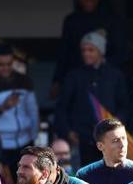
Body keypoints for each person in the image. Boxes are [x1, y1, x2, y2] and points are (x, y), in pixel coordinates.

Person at [55, 31, 128, 165]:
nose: (86, 53)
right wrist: (68, 132)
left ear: (101, 51)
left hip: (108, 139)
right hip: (81, 141)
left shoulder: (115, 75)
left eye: (91, 50)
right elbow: (61, 107)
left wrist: (117, 123)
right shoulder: (74, 76)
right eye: (84, 50)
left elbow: (124, 106)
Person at [52, 0, 127, 93]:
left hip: (104, 78)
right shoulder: (72, 21)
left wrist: (101, 67)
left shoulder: (111, 20)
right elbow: (64, 52)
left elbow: (120, 52)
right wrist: (57, 80)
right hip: (77, 79)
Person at [0, 44, 39, 173]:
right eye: (1, 65)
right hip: (1, 143)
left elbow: (33, 111)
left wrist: (34, 137)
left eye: (9, 64)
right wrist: (3, 107)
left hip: (25, 141)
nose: (6, 68)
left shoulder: (24, 80)